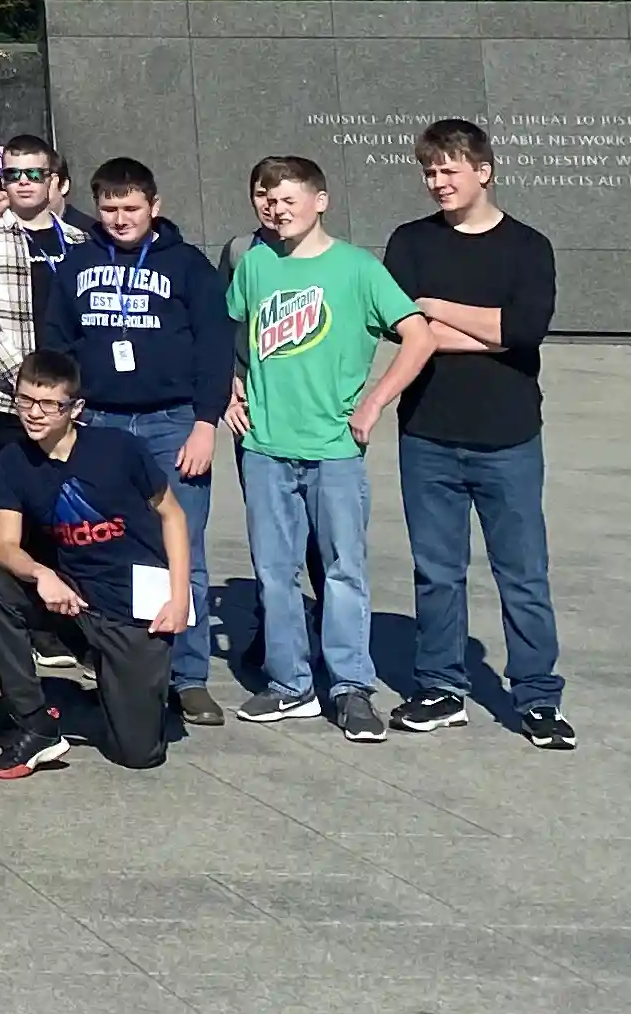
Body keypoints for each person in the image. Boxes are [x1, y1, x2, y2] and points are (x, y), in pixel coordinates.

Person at [226, 155, 433, 740]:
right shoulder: (256, 263)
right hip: (265, 445)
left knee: (343, 572)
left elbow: (418, 336)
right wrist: (230, 385)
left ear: (320, 201)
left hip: (335, 449)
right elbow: (231, 331)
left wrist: (374, 402)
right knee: (274, 572)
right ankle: (290, 686)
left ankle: (350, 686)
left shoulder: (357, 269)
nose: (276, 210)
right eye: (265, 200)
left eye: (288, 199)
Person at [385, 120, 569, 747]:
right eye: (430, 172)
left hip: (509, 435)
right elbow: (399, 329)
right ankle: (439, 688)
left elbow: (524, 331)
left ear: (483, 171)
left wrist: (433, 309)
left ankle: (538, 697)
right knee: (437, 571)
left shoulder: (528, 246)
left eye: (449, 170)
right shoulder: (410, 241)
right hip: (428, 433)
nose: (437, 182)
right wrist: (483, 330)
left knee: (522, 572)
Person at [44, 162, 236, 733]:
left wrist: (205, 423)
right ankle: (118, 665)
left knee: (183, 549)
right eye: (109, 208)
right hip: (99, 420)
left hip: (170, 422)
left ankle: (190, 676)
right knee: (105, 546)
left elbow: (214, 347)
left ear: (154, 204)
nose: (120, 219)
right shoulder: (77, 262)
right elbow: (57, 340)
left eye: (131, 208)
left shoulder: (187, 266)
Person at [0, 350, 191, 778]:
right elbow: (5, 546)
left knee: (139, 753)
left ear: (75, 409)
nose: (34, 414)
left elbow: (174, 515)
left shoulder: (119, 449)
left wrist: (180, 597)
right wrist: (41, 574)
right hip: (71, 597)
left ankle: (110, 691)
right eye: (25, 401)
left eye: (49, 404)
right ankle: (36, 724)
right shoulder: (13, 461)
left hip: (132, 608)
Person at [0, 134, 93, 593]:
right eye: (12, 175)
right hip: (5, 408)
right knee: (11, 523)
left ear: (53, 180)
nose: (22, 183)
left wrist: (67, 394)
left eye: (34, 173)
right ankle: (19, 625)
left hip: (68, 409)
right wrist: (32, 390)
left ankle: (70, 621)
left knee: (69, 518)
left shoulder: (79, 242)